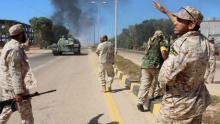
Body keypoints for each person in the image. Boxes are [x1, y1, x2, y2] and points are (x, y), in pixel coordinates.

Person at [153, 1, 211, 123]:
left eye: (180, 20)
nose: (175, 23)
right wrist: (164, 10)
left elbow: (164, 77)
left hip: (177, 109)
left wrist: (161, 88)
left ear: (191, 24)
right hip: (196, 105)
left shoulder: (181, 45)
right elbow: (179, 24)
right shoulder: (206, 43)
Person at [0, 24, 37, 124]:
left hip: (7, 87)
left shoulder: (9, 45)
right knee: (27, 116)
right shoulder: (15, 50)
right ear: (21, 34)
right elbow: (15, 72)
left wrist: (26, 46)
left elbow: (20, 46)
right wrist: (19, 93)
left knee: (6, 111)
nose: (25, 35)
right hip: (15, 89)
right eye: (24, 33)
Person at [137, 30, 168, 112]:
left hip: (145, 66)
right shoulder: (161, 41)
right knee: (160, 82)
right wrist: (167, 60)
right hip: (156, 66)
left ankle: (140, 102)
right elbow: (163, 52)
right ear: (161, 35)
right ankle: (156, 97)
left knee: (144, 84)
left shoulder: (150, 40)